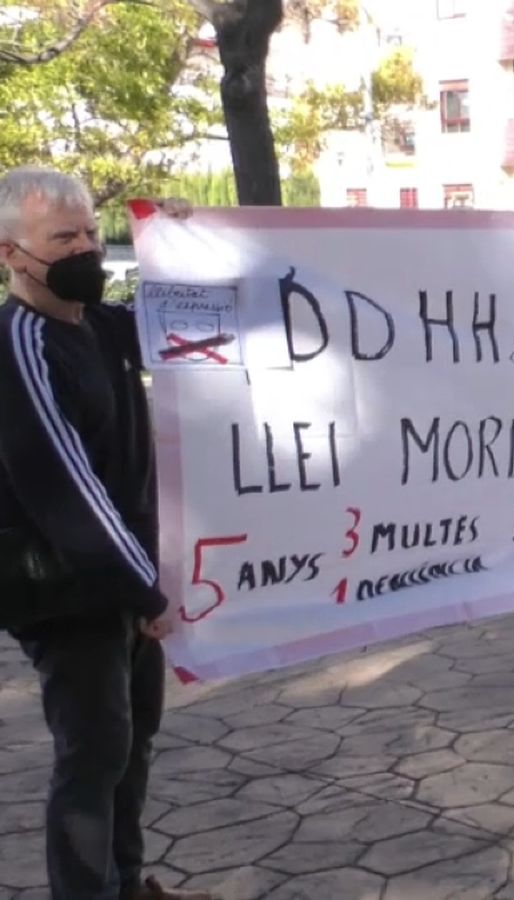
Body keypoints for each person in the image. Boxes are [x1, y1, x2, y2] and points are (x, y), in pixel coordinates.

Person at [0, 168, 212, 900]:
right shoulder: (21, 347)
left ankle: (125, 884)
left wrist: (192, 241)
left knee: (132, 743)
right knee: (92, 758)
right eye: (64, 238)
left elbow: (210, 317)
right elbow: (67, 492)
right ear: (12, 255)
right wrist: (143, 590)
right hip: (66, 589)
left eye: (91, 232)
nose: (86, 249)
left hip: (121, 583)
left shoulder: (104, 327)